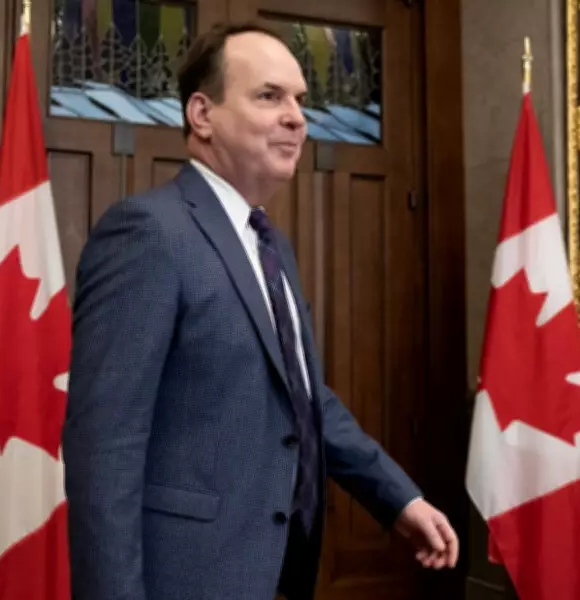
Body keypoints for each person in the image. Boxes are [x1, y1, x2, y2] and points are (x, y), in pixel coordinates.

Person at [63, 21, 458, 600]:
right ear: (202, 114)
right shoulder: (148, 233)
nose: (297, 118)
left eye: (300, 99)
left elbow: (303, 397)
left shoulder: (269, 243)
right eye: (270, 96)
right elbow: (105, 450)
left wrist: (398, 497)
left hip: (273, 574)